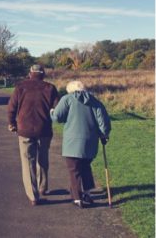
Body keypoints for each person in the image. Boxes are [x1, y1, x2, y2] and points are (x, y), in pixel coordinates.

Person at [50, 80, 111, 208]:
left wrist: (51, 112)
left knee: (74, 170)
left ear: (70, 90)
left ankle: (77, 198)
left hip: (72, 143)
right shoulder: (95, 101)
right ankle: (87, 193)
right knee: (85, 167)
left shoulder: (67, 99)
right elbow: (103, 122)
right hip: (90, 142)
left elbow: (57, 117)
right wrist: (104, 135)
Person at [7, 64, 59, 206]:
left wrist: (11, 123)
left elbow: (11, 107)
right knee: (43, 159)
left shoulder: (20, 87)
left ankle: (33, 195)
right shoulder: (50, 88)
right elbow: (57, 109)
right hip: (44, 129)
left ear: (30, 73)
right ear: (43, 74)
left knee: (27, 161)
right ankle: (43, 188)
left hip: (24, 129)